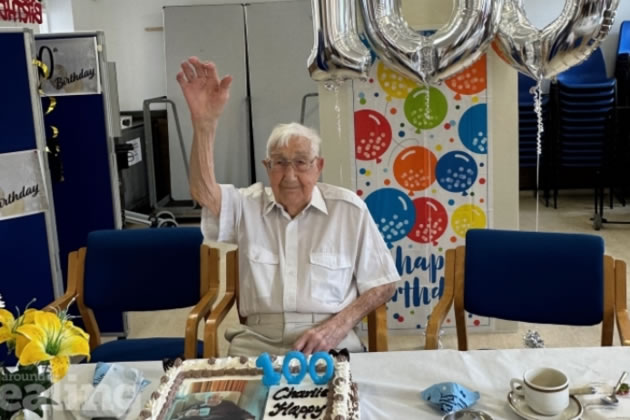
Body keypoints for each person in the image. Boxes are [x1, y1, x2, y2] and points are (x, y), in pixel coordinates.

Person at [177, 56, 400, 357]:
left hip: (328, 337)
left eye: (301, 162)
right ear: (267, 167)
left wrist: (339, 325)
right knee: (240, 402)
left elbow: (383, 283)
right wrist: (204, 124)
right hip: (256, 340)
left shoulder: (349, 210)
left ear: (318, 166)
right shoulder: (247, 206)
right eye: (280, 163)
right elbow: (203, 192)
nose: (290, 175)